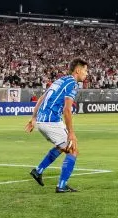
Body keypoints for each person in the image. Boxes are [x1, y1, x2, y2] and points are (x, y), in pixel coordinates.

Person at [26, 58, 89, 192]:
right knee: (73, 150)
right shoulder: (73, 83)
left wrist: (33, 118)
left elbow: (42, 97)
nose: (86, 74)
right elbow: (67, 110)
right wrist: (71, 133)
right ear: (78, 70)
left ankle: (38, 171)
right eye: (85, 70)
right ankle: (61, 186)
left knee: (61, 147)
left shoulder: (61, 80)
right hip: (51, 121)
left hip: (42, 121)